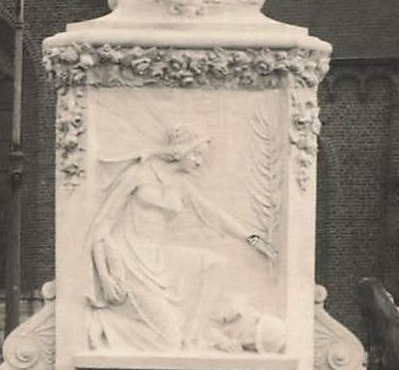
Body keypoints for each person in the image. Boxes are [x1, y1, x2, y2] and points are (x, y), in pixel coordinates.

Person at [86, 124, 276, 351]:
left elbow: (216, 216)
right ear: (180, 150)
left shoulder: (181, 185)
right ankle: (104, 322)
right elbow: (102, 225)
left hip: (159, 259)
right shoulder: (138, 174)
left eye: (202, 157)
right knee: (168, 341)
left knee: (215, 264)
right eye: (196, 154)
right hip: (129, 262)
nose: (199, 161)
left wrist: (255, 240)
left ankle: (195, 336)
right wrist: (105, 278)